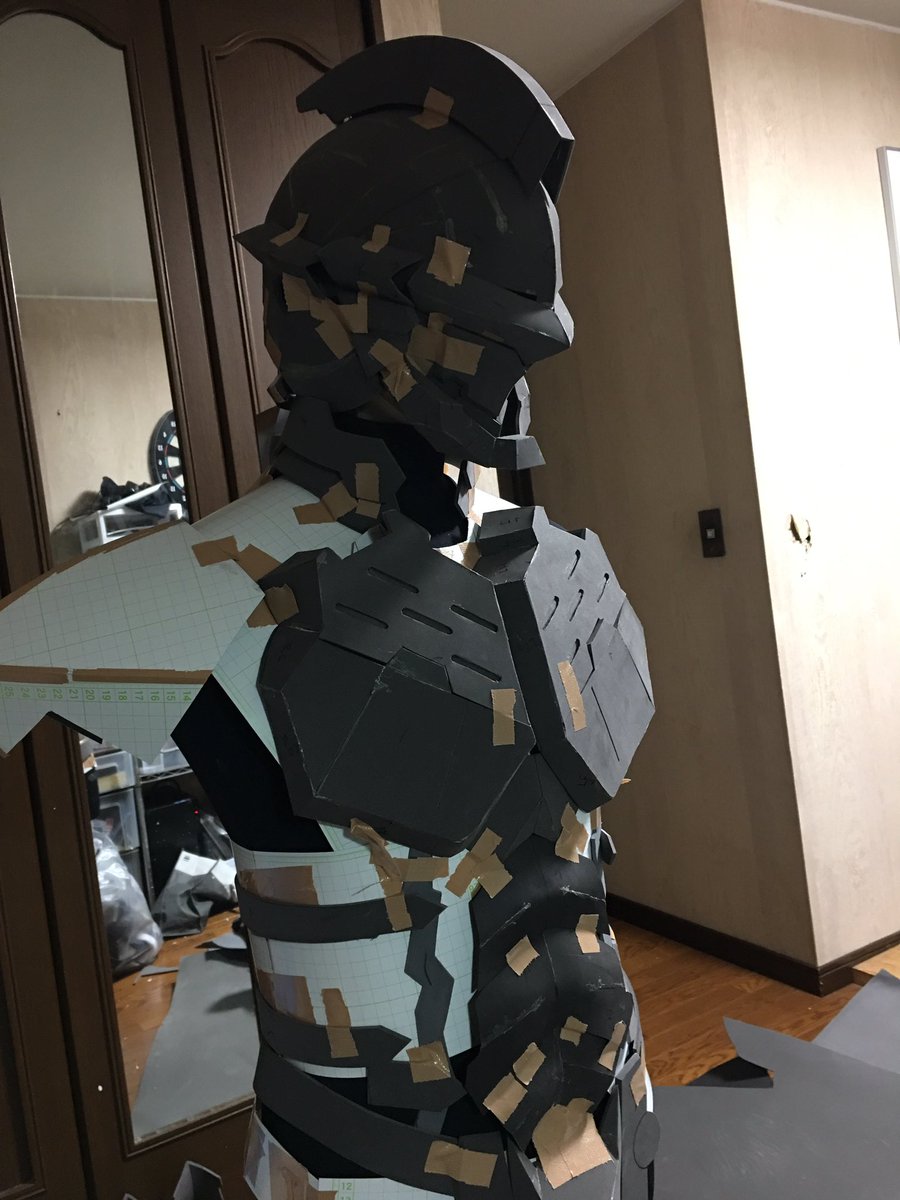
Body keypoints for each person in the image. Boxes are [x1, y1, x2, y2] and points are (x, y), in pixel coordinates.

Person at [0, 36, 656, 1200]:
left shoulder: (551, 566)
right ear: (350, 309)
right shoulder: (191, 591)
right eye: (480, 339)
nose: (505, 383)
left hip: (603, 1123)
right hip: (369, 1175)